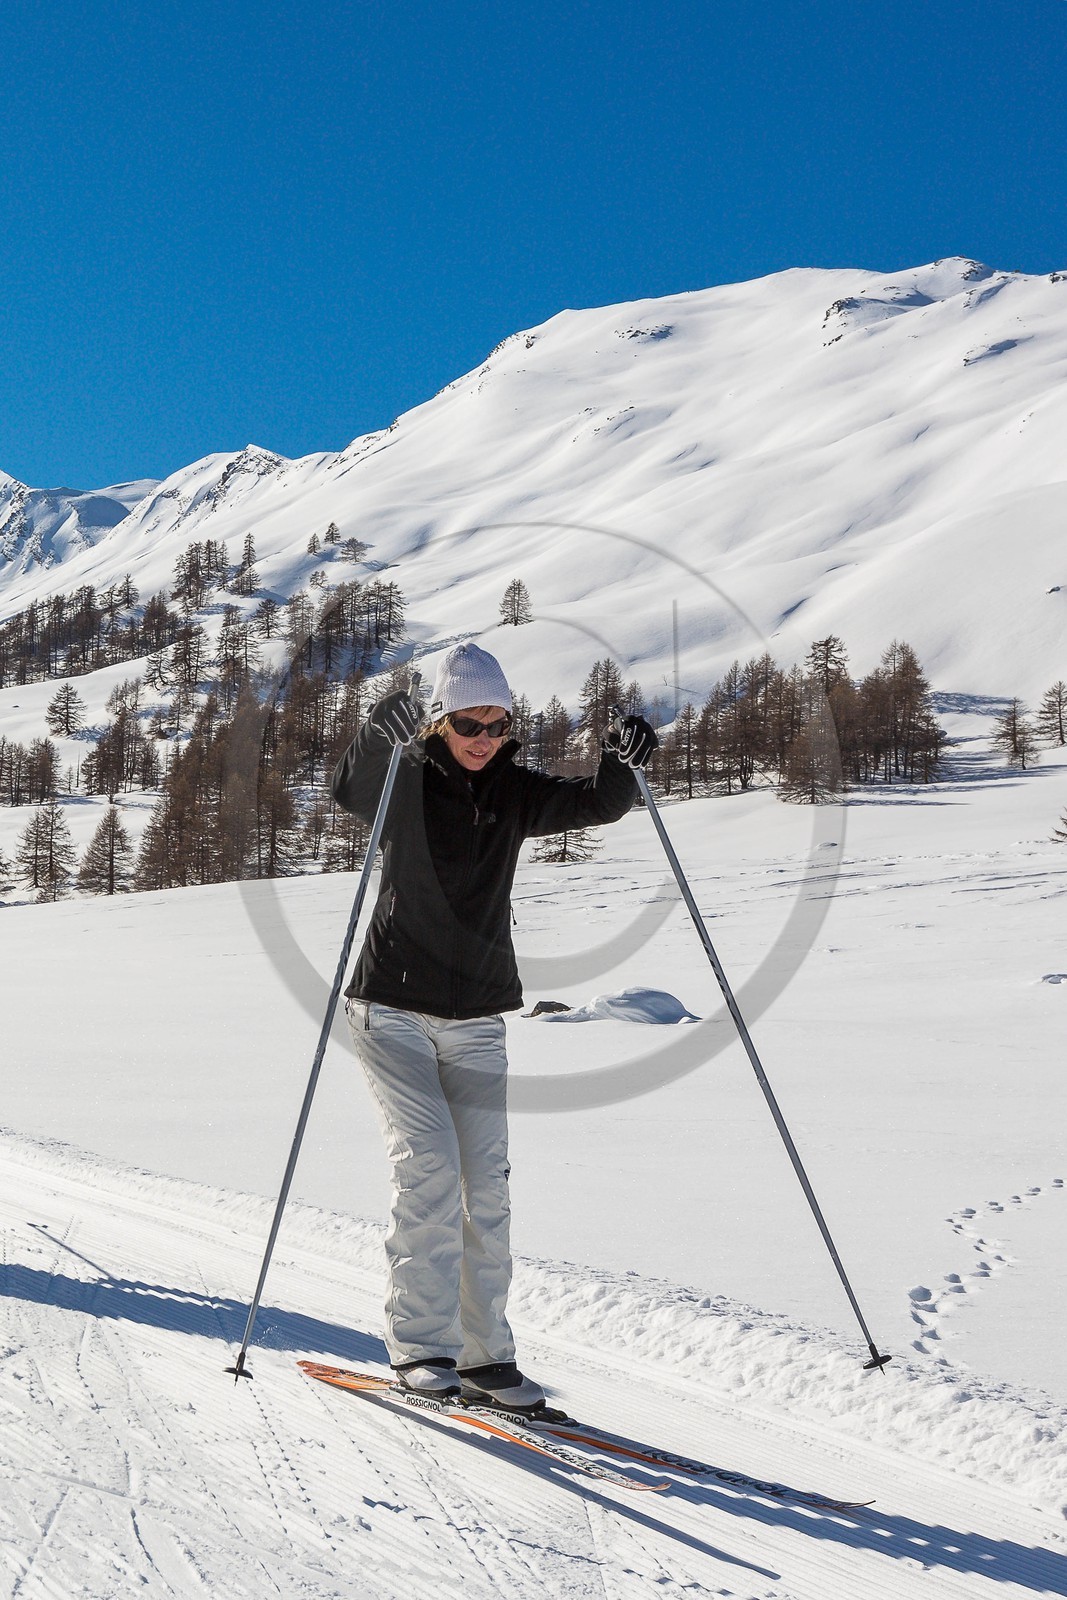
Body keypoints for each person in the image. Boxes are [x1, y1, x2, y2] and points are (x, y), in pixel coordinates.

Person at [331, 641, 656, 1417]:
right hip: (392, 1006)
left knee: (489, 1189)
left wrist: (625, 761)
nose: (484, 735)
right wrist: (380, 728)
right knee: (431, 1170)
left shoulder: (513, 788)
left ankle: (486, 1358)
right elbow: (350, 788)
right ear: (441, 721)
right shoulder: (404, 780)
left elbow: (597, 805)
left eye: (498, 721)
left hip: (477, 1014)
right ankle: (421, 1347)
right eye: (469, 721)